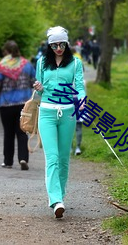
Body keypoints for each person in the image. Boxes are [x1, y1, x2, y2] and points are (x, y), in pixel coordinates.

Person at [33, 26, 86, 218]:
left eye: (62, 44)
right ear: (49, 45)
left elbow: (79, 86)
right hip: (46, 113)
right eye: (54, 45)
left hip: (68, 114)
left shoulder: (75, 63)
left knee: (64, 159)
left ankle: (60, 196)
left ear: (67, 43)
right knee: (52, 158)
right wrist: (38, 87)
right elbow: (39, 92)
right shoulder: (41, 63)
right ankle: (55, 200)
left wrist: (81, 101)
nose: (58, 48)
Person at [0, 40, 36, 170]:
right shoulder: (27, 65)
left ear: (6, 52)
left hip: (6, 104)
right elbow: (34, 82)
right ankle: (23, 158)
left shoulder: (2, 66)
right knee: (22, 132)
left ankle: (8, 161)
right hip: (23, 104)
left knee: (8, 133)